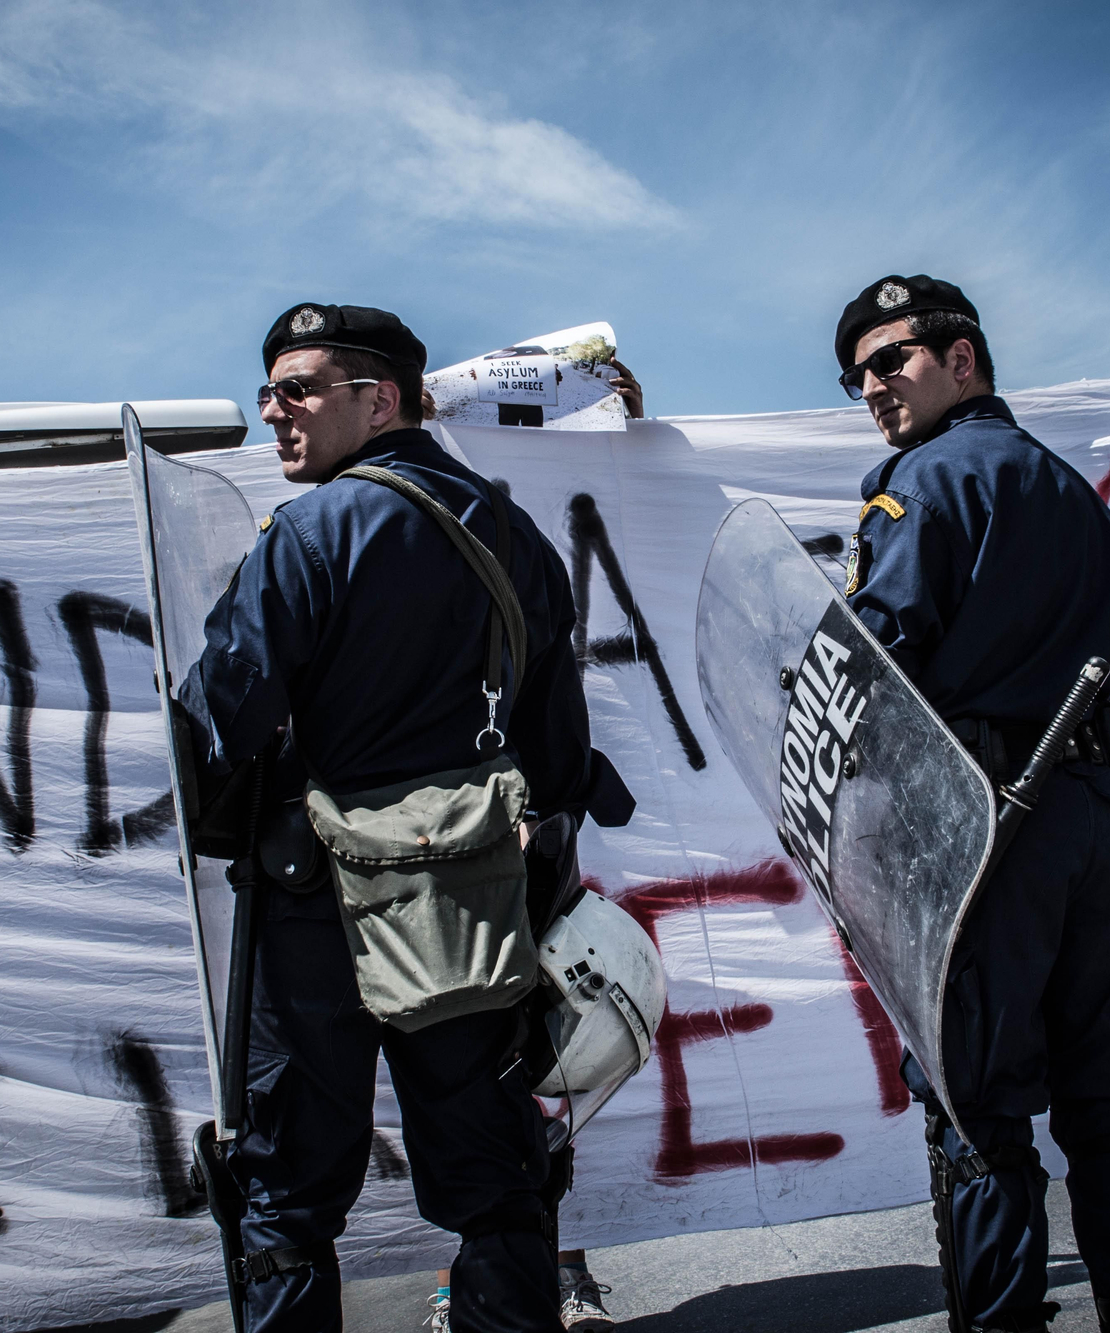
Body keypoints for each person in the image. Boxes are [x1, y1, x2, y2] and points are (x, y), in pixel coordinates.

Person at [179, 302, 633, 1333]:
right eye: (267, 393)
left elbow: (224, 718)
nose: (273, 414)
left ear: (376, 398)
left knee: (287, 1196)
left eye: (296, 390)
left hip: (313, 910)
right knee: (493, 1172)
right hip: (469, 903)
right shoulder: (513, 535)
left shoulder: (306, 532)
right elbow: (557, 754)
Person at [834, 275, 1110, 1333]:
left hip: (984, 826)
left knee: (975, 1110)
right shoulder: (1065, 486)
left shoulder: (917, 486)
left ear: (961, 358)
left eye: (891, 359)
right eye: (857, 375)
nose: (872, 388)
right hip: (1093, 811)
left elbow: (873, 665)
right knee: (1107, 1100)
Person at [420, 356, 644, 1333]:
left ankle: (552, 1269)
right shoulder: (405, 516)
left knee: (530, 1063)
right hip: (439, 847)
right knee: (466, 1079)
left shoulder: (526, 539)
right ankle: (482, 1278)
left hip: (533, 838)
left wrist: (626, 425)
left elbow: (634, 516)